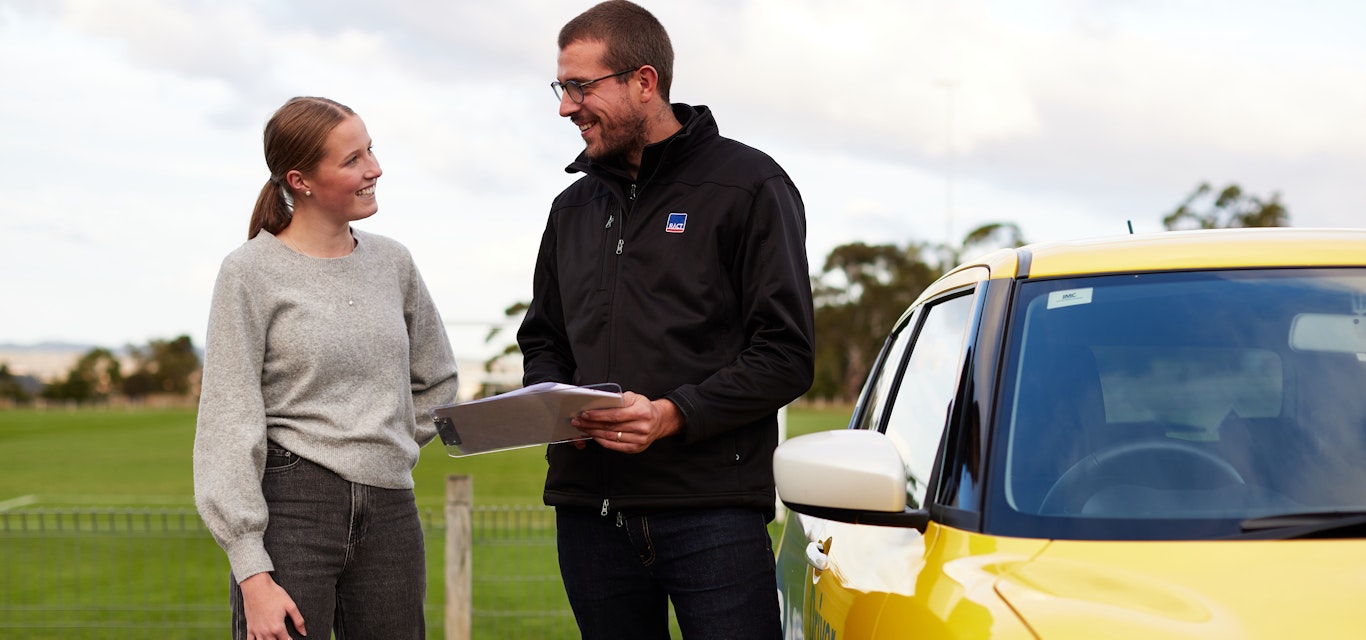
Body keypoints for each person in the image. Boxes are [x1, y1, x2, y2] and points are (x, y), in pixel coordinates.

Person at [516, 2, 816, 637]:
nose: (565, 107)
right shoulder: (570, 208)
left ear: (643, 82)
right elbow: (545, 338)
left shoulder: (751, 186)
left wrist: (671, 414)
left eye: (580, 86)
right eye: (560, 87)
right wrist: (555, 404)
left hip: (712, 515)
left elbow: (786, 355)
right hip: (590, 514)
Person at [193, 96, 459, 640]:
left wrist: (380, 440)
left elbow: (438, 383)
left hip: (392, 509)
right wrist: (252, 571)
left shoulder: (394, 262)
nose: (374, 169)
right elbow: (228, 422)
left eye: (371, 150)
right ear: (301, 180)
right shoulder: (248, 273)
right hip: (292, 512)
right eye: (353, 159)